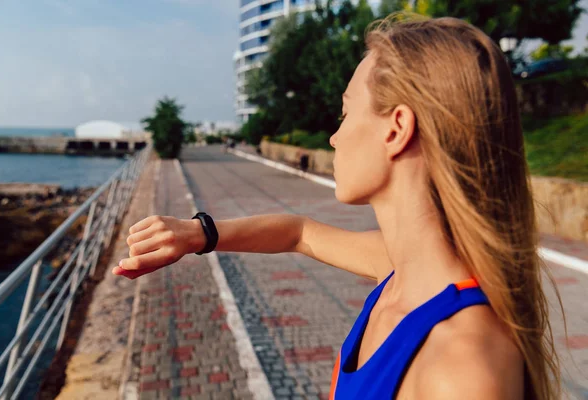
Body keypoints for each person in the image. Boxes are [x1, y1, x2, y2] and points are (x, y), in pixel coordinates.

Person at [113, 15, 561, 400]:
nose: (334, 137)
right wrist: (200, 234)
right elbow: (299, 233)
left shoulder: (463, 365)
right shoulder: (407, 271)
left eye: (346, 115)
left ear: (397, 129)